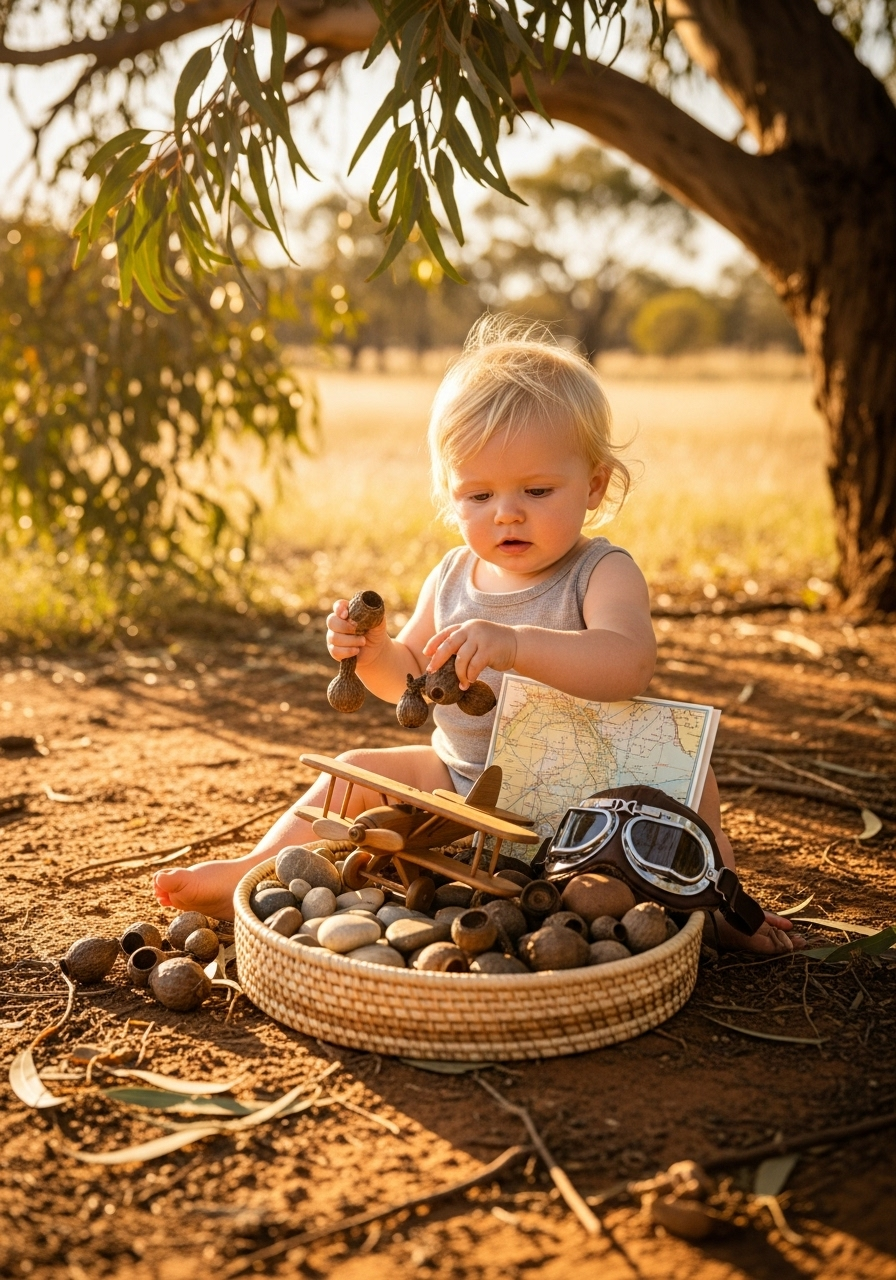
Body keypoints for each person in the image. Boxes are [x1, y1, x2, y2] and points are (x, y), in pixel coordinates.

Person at [155, 317, 801, 953]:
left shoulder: (602, 572)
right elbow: (408, 679)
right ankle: (250, 870)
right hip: (462, 779)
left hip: (589, 798)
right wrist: (373, 652)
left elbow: (628, 663)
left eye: (538, 489)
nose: (508, 512)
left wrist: (516, 644)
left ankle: (717, 905)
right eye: (478, 495)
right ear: (449, 495)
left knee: (696, 782)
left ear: (595, 484)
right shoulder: (453, 576)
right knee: (353, 771)